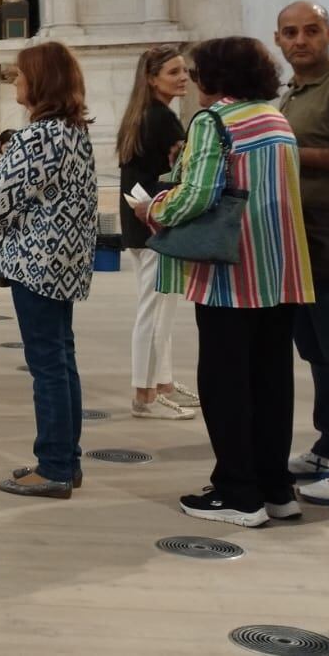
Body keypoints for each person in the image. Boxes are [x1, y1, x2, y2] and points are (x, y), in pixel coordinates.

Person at [140, 37, 313, 526]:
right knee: (271, 382)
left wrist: (150, 206)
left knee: (225, 382)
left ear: (216, 77)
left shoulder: (215, 122)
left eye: (196, 74)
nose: (193, 82)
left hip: (231, 274)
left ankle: (238, 493)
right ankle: (276, 488)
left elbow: (195, 196)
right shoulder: (275, 118)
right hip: (279, 271)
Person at [0, 42, 98, 500]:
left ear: (40, 82)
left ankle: (53, 468)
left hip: (37, 261)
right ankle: (66, 460)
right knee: (61, 361)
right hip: (63, 260)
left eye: (22, 75)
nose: (16, 81)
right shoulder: (72, 131)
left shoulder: (39, 136)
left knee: (47, 364)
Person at [275, 2, 329, 504]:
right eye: (291, 32)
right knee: (318, 351)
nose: (301, 40)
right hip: (304, 245)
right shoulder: (292, 93)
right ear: (278, 40)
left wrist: (286, 149)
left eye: (311, 31)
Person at [115, 47, 198, 420]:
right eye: (173, 72)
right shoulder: (160, 118)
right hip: (155, 225)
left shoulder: (143, 115)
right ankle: (144, 396)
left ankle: (161, 383)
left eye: (184, 70)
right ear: (152, 78)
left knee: (160, 309)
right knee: (153, 312)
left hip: (141, 223)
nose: (183, 77)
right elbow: (174, 175)